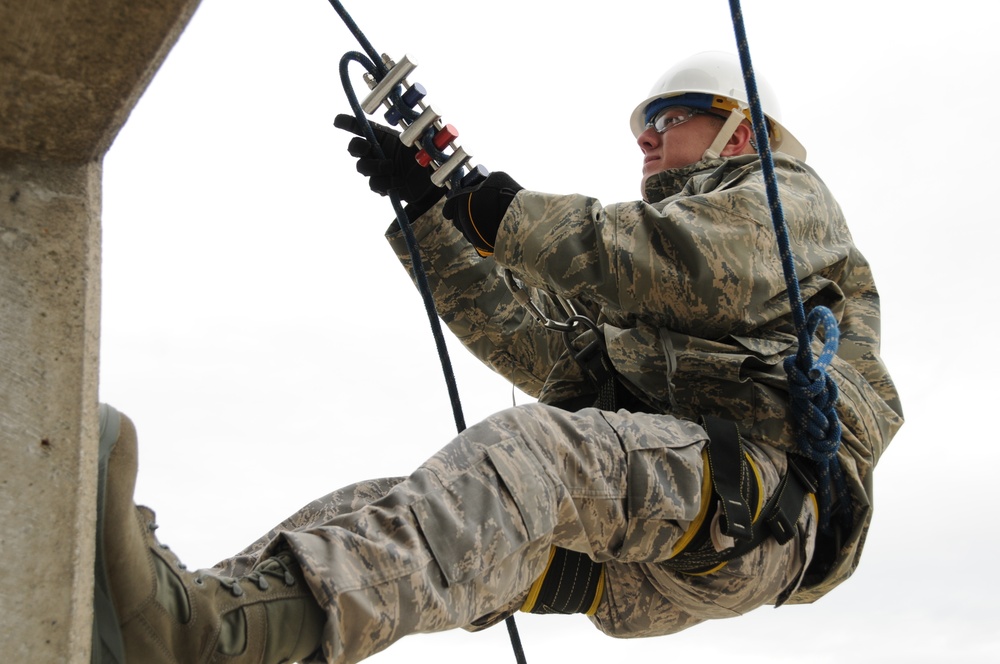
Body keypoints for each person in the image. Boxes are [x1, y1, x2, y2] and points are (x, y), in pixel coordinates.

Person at [92, 51, 903, 664]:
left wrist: (505, 214)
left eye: (674, 116)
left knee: (531, 457)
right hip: (648, 543)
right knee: (394, 509)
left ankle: (200, 634)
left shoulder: (786, 201)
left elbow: (684, 262)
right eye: (644, 126)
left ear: (745, 129)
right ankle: (189, 622)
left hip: (757, 506)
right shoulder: (636, 283)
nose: (649, 138)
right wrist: (434, 219)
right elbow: (535, 341)